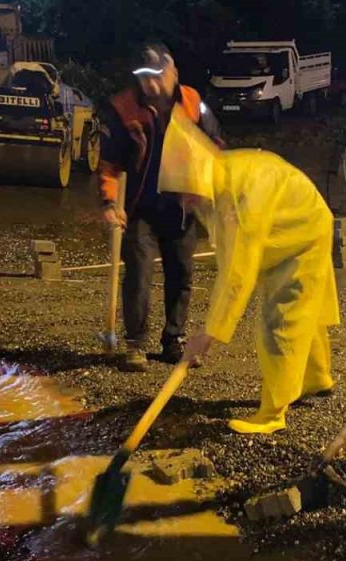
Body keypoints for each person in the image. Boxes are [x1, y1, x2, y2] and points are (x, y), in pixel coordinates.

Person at [162, 110, 339, 435]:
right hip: (292, 225)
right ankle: (317, 379)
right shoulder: (217, 180)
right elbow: (232, 258)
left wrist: (206, 335)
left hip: (300, 233)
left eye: (183, 192)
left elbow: (236, 274)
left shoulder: (239, 197)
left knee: (281, 321)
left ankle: (273, 413)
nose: (183, 201)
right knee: (304, 311)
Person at [98, 41, 224, 372]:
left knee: (181, 273)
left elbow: (216, 148)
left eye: (156, 76)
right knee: (139, 272)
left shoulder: (194, 104)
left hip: (182, 206)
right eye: (143, 78)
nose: (150, 85)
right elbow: (109, 163)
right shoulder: (123, 108)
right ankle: (135, 343)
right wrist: (111, 203)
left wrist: (211, 190)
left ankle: (174, 339)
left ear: (172, 72)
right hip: (140, 207)